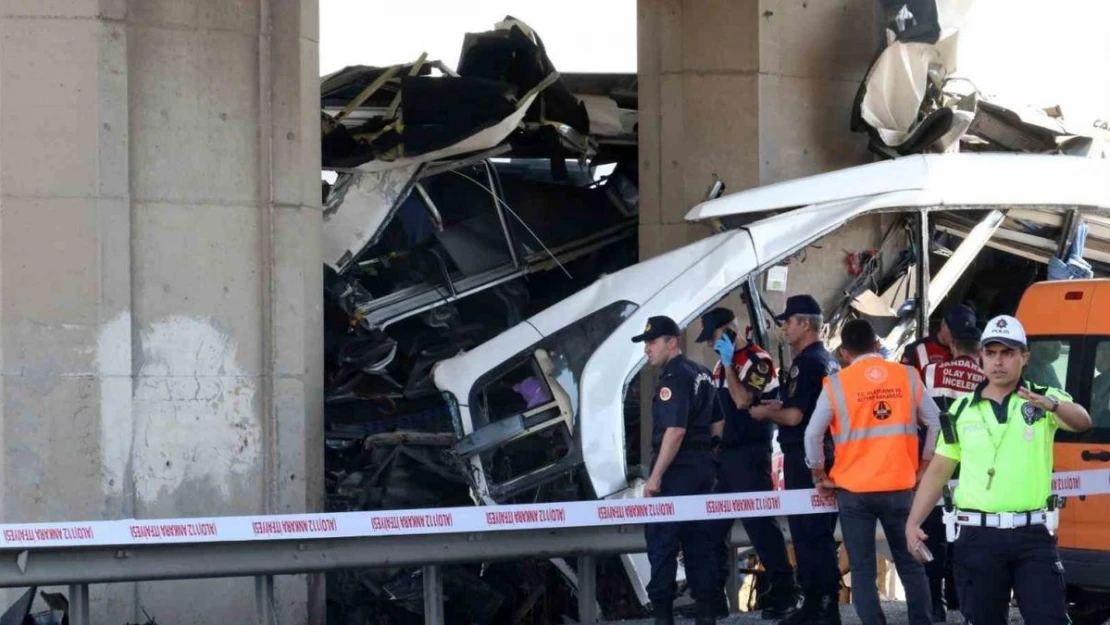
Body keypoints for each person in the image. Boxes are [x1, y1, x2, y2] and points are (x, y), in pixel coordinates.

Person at [905, 315, 1092, 625]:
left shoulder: (1042, 398)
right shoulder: (961, 409)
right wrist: (913, 522)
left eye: (1008, 353)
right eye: (991, 353)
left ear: (1024, 357)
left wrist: (1051, 405)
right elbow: (939, 469)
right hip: (978, 536)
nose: (998, 361)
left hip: (1033, 535)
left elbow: (1082, 421)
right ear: (981, 357)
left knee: (1049, 619)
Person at [803, 319, 938, 625]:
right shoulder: (907, 376)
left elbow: (812, 435)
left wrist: (819, 475)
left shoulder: (837, 384)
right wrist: (925, 466)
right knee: (910, 563)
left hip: (854, 492)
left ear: (845, 352)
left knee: (862, 569)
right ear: (878, 346)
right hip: (901, 486)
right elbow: (935, 422)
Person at [696, 307, 799, 619]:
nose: (713, 344)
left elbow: (743, 401)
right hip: (724, 456)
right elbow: (718, 409)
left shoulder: (758, 360)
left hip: (750, 454)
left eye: (715, 336)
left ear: (729, 329)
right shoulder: (718, 365)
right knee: (712, 528)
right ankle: (712, 598)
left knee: (760, 526)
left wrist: (729, 365)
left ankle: (784, 590)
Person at [749, 294, 842, 625]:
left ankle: (822, 609)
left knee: (810, 533)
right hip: (817, 453)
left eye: (787, 322)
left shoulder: (809, 362)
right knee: (813, 533)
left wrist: (765, 413)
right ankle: (818, 605)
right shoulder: (825, 360)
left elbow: (794, 418)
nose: (783, 328)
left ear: (805, 324)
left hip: (807, 455)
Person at [632, 315, 722, 625]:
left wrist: (655, 477)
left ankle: (663, 617)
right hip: (702, 469)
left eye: (652, 342)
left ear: (672, 342)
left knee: (663, 541)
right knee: (700, 541)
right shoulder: (703, 373)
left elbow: (675, 431)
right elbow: (718, 423)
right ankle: (706, 614)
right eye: (645, 343)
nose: (647, 349)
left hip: (677, 470)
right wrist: (709, 457)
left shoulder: (674, 377)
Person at [918, 316, 985, 620]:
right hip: (974, 466)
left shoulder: (933, 371)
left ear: (954, 345)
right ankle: (961, 596)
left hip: (940, 462)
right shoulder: (988, 377)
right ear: (980, 349)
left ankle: (936, 602)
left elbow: (921, 416)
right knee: (967, 531)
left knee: (933, 531)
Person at [900, 304, 976, 375]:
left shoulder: (971, 353)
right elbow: (903, 380)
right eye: (954, 332)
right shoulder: (916, 349)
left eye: (962, 335)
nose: (956, 338)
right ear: (943, 323)